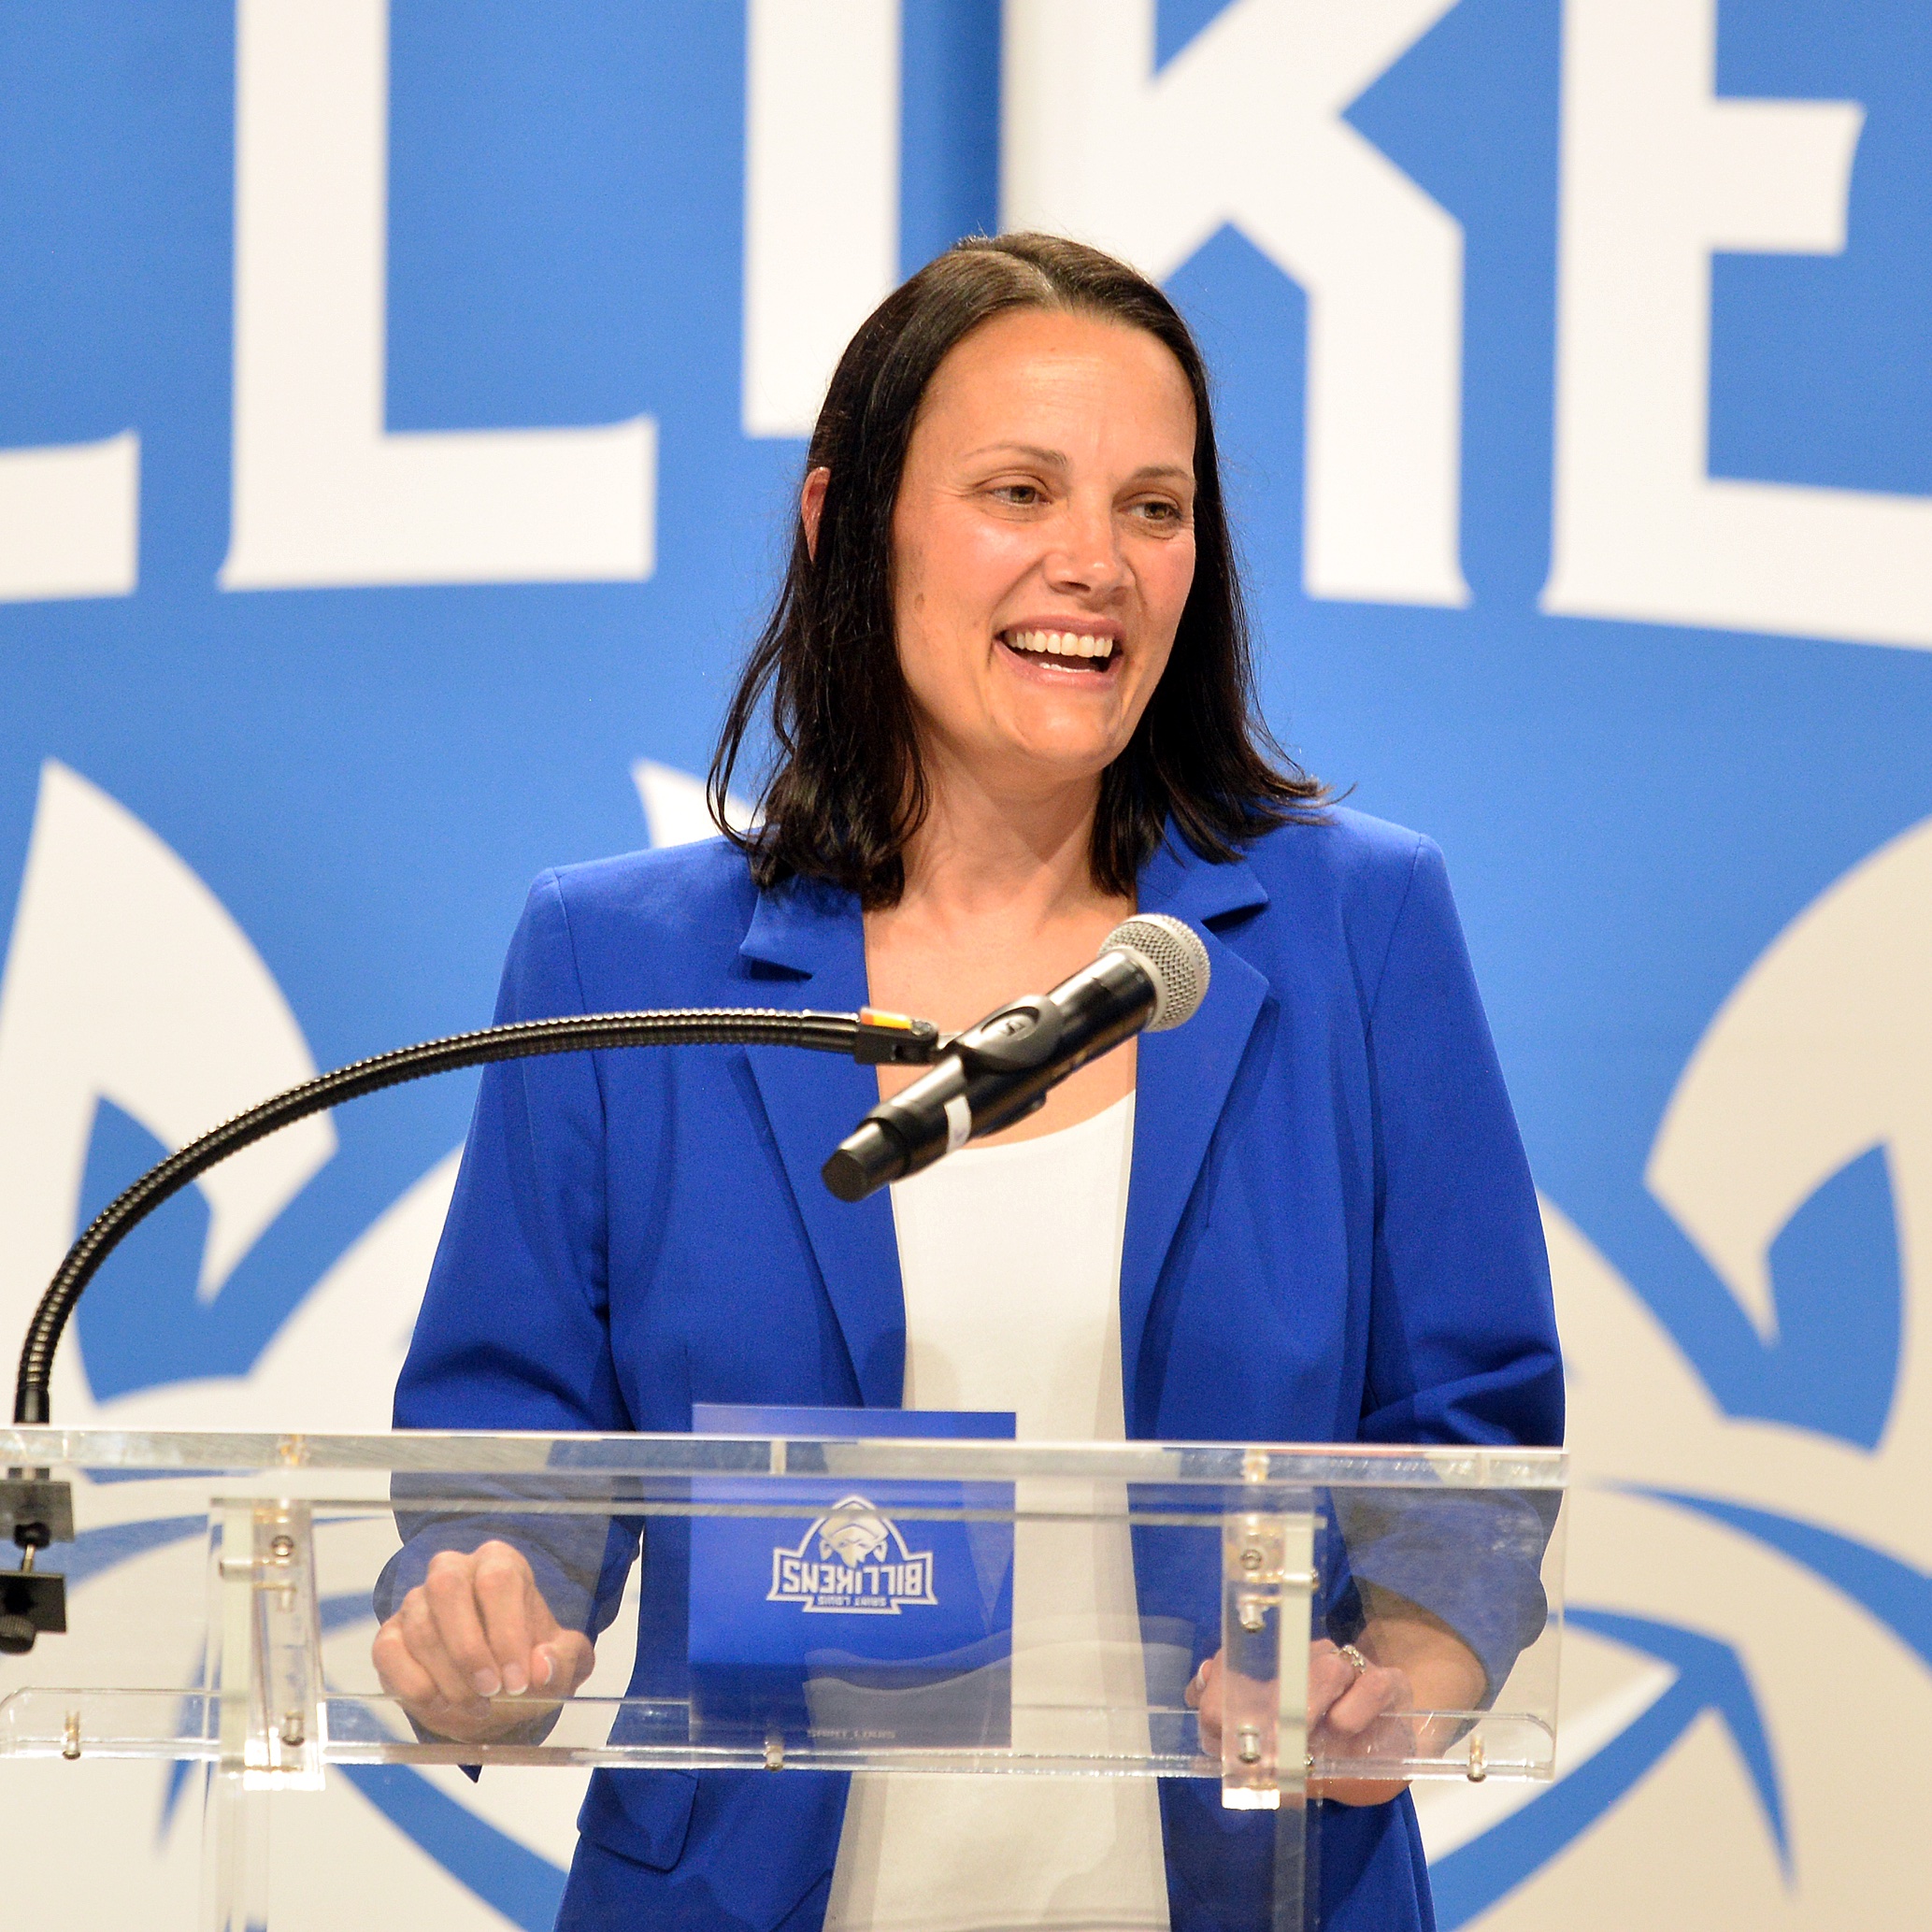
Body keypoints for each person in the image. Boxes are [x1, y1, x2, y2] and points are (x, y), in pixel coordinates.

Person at [372, 233, 1563, 1932]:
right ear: (844, 525)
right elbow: (506, 1471)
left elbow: (1470, 1437)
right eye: (1022, 490)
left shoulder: (1357, 926)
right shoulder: (621, 965)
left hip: (1254, 1887)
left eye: (1155, 509)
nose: (1098, 563)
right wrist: (477, 1630)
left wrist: (1401, 1690)